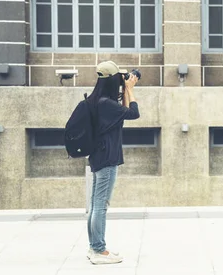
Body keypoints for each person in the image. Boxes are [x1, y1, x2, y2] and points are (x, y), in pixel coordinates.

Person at [85, 61, 140, 265]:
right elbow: (133, 113)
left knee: (94, 205)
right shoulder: (106, 104)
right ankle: (99, 250)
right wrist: (130, 90)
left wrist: (125, 90)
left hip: (98, 156)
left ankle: (93, 247)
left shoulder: (96, 100)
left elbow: (122, 115)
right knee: (100, 206)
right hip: (108, 158)